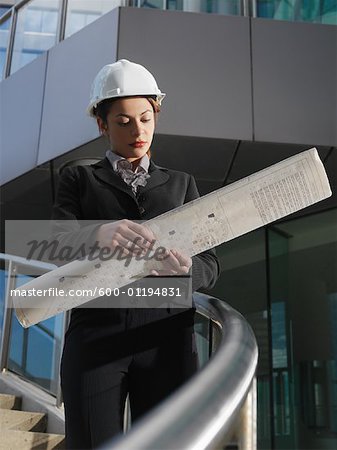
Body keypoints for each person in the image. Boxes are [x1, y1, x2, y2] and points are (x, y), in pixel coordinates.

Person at [52, 59, 220, 449]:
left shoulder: (182, 184)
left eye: (145, 118)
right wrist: (98, 232)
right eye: (123, 121)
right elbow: (58, 244)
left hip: (167, 338)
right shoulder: (77, 177)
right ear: (101, 124)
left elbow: (211, 264)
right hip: (96, 336)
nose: (137, 130)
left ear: (156, 115)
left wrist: (187, 270)